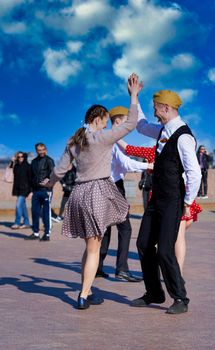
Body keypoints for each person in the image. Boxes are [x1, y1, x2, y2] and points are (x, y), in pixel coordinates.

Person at [42, 74, 142, 310]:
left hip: (78, 194)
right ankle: (84, 295)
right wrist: (134, 96)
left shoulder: (74, 140)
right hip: (97, 193)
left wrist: (49, 183)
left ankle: (85, 290)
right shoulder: (101, 138)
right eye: (106, 120)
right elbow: (131, 123)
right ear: (98, 119)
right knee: (94, 248)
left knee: (89, 247)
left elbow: (60, 170)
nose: (107, 125)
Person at [131, 90, 201, 314]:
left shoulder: (183, 137)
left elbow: (194, 173)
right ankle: (154, 293)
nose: (153, 110)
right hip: (157, 198)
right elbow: (141, 126)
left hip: (173, 199)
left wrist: (188, 202)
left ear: (166, 108)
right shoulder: (163, 130)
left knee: (165, 251)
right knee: (143, 244)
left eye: (155, 106)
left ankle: (180, 297)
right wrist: (134, 97)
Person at [117, 140, 202, 275]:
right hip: (183, 196)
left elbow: (129, 149)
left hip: (164, 197)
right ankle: (176, 272)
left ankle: (169, 273)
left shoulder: (155, 151)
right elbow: (195, 175)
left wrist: (115, 135)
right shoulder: (184, 150)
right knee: (177, 236)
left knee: (163, 236)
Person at [96, 106, 153, 282]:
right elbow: (126, 164)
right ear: (118, 122)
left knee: (105, 228)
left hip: (103, 185)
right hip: (114, 187)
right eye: (126, 123)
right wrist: (148, 166)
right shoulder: (113, 140)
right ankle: (121, 268)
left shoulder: (105, 139)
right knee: (125, 228)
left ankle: (97, 266)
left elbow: (120, 164)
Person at [25, 143, 55, 241]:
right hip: (35, 191)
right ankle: (36, 233)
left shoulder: (49, 160)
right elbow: (30, 178)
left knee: (46, 213)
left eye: (42, 149)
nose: (41, 151)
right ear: (36, 151)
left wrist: (49, 189)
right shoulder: (33, 162)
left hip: (46, 190)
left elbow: (53, 175)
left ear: (45, 149)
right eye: (39, 150)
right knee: (35, 212)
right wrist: (30, 191)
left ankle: (47, 234)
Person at [10, 152, 31, 229]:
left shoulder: (28, 166)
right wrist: (12, 161)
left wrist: (31, 191)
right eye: (18, 157)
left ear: (24, 157)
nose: (20, 158)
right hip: (17, 189)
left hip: (25, 189)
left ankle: (17, 223)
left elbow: (31, 179)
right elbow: (10, 170)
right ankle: (27, 223)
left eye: (22, 156)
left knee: (18, 205)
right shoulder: (16, 166)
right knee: (23, 206)